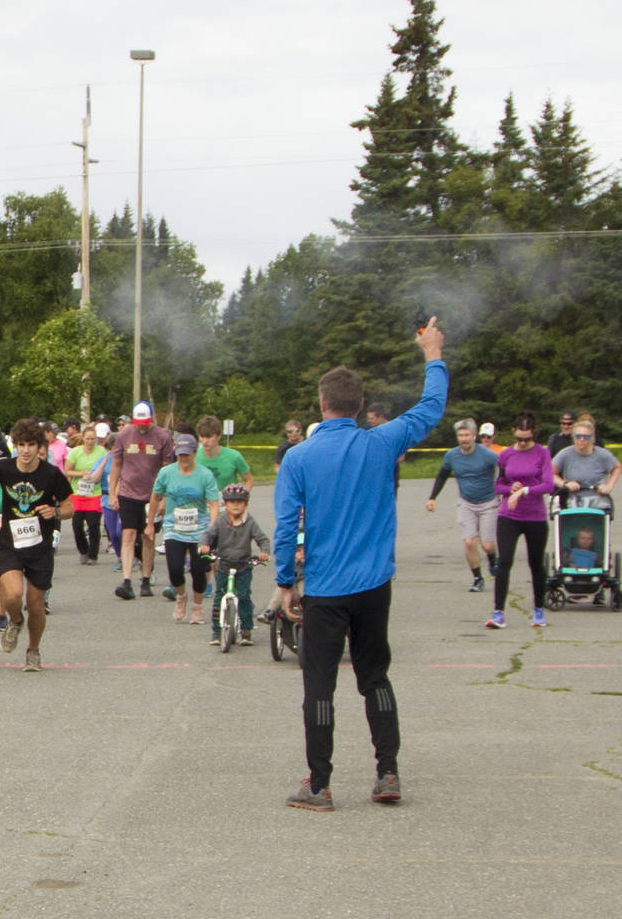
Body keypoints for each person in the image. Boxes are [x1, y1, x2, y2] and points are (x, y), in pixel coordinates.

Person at [273, 318, 446, 811]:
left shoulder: (299, 458)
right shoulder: (382, 441)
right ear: (359, 405)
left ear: (322, 404)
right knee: (374, 677)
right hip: (374, 585)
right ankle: (387, 772)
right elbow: (431, 407)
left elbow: (286, 528)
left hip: (325, 589)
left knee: (319, 686)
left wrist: (287, 580)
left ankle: (320, 784)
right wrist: (432, 352)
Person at [0, 421, 74, 672]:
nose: (26, 450)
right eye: (21, 445)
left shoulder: (51, 474)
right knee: (12, 594)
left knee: (36, 603)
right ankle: (15, 620)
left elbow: (70, 508)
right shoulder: (4, 468)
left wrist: (55, 511)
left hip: (40, 546)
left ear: (39, 446)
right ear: (15, 446)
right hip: (10, 542)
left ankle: (33, 650)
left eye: (31, 445)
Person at [490, 411, 555, 630]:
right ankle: (498, 612)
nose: (523, 443)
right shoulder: (506, 454)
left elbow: (548, 485)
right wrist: (510, 489)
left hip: (534, 516)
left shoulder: (542, 453)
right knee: (504, 561)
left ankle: (538, 609)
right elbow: (497, 485)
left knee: (535, 563)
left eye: (527, 439)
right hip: (509, 515)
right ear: (513, 434)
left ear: (534, 434)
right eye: (519, 439)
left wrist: (525, 490)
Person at [151, 433, 224, 625]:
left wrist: (212, 530)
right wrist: (150, 523)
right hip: (174, 527)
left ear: (194, 453)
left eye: (187, 454)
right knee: (175, 568)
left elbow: (214, 504)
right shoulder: (166, 473)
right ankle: (181, 596)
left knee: (199, 570)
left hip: (199, 529)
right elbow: (155, 496)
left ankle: (197, 607)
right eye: (180, 455)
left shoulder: (205, 474)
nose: (183, 459)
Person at [425, 419, 501, 592]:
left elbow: (503, 470)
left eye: (467, 435)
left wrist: (502, 490)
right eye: (461, 435)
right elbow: (442, 475)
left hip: (488, 502)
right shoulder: (452, 455)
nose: (464, 438)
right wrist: (432, 498)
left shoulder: (487, 454)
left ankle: (492, 558)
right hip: (466, 502)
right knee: (469, 542)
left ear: (474, 436)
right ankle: (477, 578)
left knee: (487, 545)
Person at [107, 401, 169, 600]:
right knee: (128, 534)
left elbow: (168, 469)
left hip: (152, 494)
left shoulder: (163, 437)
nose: (142, 426)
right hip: (128, 492)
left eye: (145, 422)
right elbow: (116, 464)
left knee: (148, 536)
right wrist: (112, 493)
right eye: (138, 422)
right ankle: (126, 580)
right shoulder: (125, 435)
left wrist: (163, 499)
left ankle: (145, 578)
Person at [199, 484, 272, 647]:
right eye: (232, 502)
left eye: (240, 502)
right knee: (219, 597)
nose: (236, 505)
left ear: (246, 504)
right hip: (224, 565)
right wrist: (204, 545)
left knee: (244, 596)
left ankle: (246, 630)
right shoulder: (221, 521)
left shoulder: (250, 522)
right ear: (226, 504)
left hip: (243, 565)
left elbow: (262, 539)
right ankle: (217, 631)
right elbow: (208, 535)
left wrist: (264, 552)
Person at [64, 422, 110, 565]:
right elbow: (67, 471)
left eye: (93, 438)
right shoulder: (76, 452)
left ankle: (93, 554)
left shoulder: (101, 452)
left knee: (93, 524)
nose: (90, 441)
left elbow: (106, 468)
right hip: (78, 493)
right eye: (88, 438)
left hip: (94, 493)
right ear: (83, 439)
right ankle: (83, 550)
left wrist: (95, 475)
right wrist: (80, 474)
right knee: (77, 525)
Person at [553, 416, 618, 506]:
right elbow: (551, 472)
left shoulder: (603, 454)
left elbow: (617, 467)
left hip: (599, 499)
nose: (581, 440)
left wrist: (609, 486)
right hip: (573, 500)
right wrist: (565, 483)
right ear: (573, 437)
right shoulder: (565, 453)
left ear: (592, 438)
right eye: (578, 436)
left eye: (586, 437)